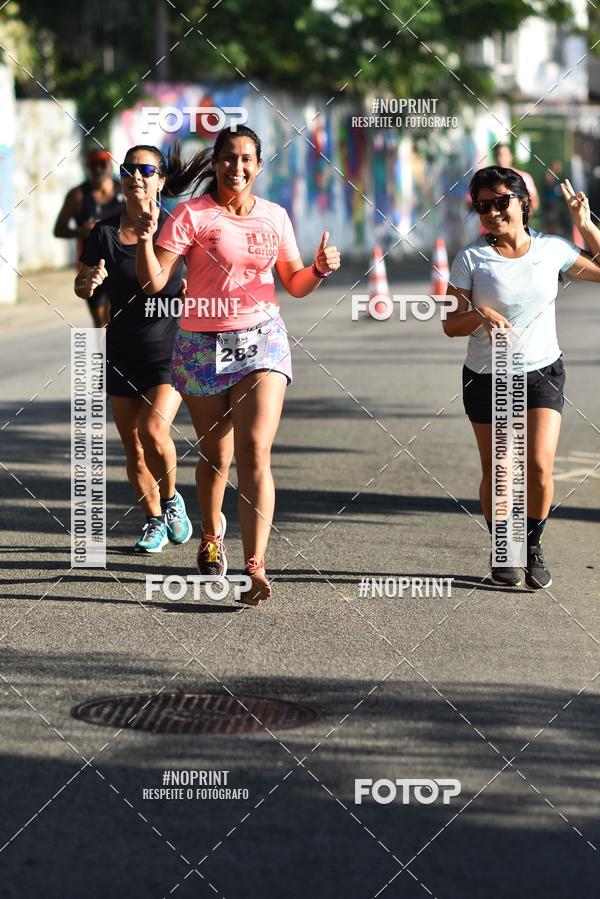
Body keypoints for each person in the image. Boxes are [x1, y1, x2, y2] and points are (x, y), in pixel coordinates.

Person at [134, 125, 341, 605]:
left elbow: (294, 282)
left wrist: (321, 270)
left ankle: (255, 568)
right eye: (228, 158)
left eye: (247, 158)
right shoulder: (192, 215)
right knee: (216, 456)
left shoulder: (274, 216)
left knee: (254, 450)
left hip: (261, 341)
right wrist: (146, 242)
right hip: (202, 344)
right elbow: (155, 283)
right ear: (216, 163)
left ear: (259, 165)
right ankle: (210, 534)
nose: (237, 167)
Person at [444, 166, 600, 590]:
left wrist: (586, 225)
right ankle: (503, 548)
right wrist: (478, 314)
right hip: (486, 374)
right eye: (482, 206)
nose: (492, 212)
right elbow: (450, 323)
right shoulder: (471, 258)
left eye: (500, 202)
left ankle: (530, 545)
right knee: (500, 470)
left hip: (542, 371)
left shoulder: (551, 249)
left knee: (539, 468)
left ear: (523, 203)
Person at [75, 144, 194, 553]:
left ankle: (173, 498)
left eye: (146, 169)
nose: (136, 176)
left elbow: (199, 274)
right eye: (128, 169)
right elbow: (82, 283)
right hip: (121, 353)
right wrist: (88, 283)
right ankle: (154, 520)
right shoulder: (103, 232)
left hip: (169, 352)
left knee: (153, 430)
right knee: (133, 446)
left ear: (160, 179)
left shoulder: (178, 228)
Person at [55, 149, 125, 327]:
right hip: (90, 264)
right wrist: (82, 231)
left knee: (118, 317)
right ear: (87, 168)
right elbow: (58, 229)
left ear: (110, 166)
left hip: (121, 259)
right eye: (93, 165)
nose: (98, 168)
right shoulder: (78, 195)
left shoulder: (124, 190)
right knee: (100, 322)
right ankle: (99, 354)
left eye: (102, 164)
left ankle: (117, 354)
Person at [492, 144, 539, 213]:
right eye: (497, 155)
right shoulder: (487, 178)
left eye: (503, 155)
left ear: (511, 156)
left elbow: (534, 203)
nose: (499, 158)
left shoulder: (524, 177)